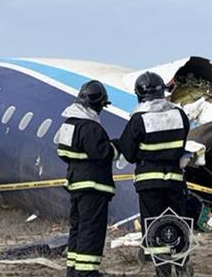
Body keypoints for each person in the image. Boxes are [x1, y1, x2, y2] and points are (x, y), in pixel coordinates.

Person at [114, 72, 192, 277]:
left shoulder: (139, 119)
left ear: (139, 94)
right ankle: (183, 267)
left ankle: (163, 271)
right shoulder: (180, 115)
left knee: (155, 227)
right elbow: (182, 144)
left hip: (149, 182)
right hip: (175, 180)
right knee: (177, 223)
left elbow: (128, 153)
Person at [55, 80, 117, 277]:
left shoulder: (68, 125)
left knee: (78, 228)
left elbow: (63, 152)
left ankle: (73, 270)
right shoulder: (91, 128)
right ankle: (87, 273)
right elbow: (103, 154)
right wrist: (117, 146)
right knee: (92, 229)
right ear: (97, 104)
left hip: (75, 185)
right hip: (93, 187)